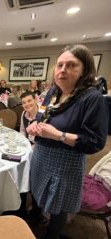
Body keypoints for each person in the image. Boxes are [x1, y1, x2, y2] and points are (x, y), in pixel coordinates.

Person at [27, 44, 108, 239]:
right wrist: (34, 126)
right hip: (41, 155)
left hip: (66, 162)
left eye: (71, 65)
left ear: (84, 70)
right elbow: (42, 117)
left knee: (59, 204)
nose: (63, 70)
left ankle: (52, 235)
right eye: (60, 65)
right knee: (38, 191)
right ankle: (36, 219)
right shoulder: (53, 93)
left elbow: (95, 142)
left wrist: (58, 135)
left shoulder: (92, 98)